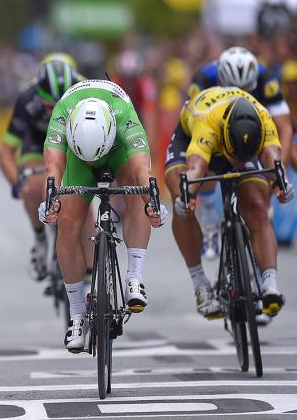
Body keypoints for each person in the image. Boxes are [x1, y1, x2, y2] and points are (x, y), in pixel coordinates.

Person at [40, 79, 167, 352]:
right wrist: (49, 202)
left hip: (118, 150)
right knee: (67, 221)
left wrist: (152, 204)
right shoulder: (62, 115)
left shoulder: (123, 115)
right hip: (76, 153)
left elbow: (143, 172)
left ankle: (134, 276)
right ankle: (76, 315)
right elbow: (52, 168)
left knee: (138, 195)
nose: (92, 165)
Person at [164, 86, 290, 320]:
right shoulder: (207, 123)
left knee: (258, 206)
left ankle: (270, 284)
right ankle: (200, 283)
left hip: (238, 139)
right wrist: (188, 195)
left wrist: (279, 183)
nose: (239, 164)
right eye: (236, 159)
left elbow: (273, 159)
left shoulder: (264, 118)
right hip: (192, 138)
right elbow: (196, 168)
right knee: (181, 200)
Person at [188, 46, 292, 260]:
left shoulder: (265, 77)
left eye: (246, 89)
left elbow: (285, 129)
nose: (240, 95)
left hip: (253, 128)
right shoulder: (203, 78)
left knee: (262, 193)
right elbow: (193, 124)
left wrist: (280, 173)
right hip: (213, 126)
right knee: (204, 158)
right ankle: (208, 215)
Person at [0, 59, 85, 281]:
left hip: (77, 140)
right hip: (38, 143)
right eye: (49, 107)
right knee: (33, 187)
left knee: (84, 203)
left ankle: (88, 273)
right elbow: (7, 153)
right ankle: (40, 239)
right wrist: (18, 184)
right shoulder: (27, 99)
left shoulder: (87, 92)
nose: (55, 112)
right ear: (39, 96)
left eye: (62, 106)